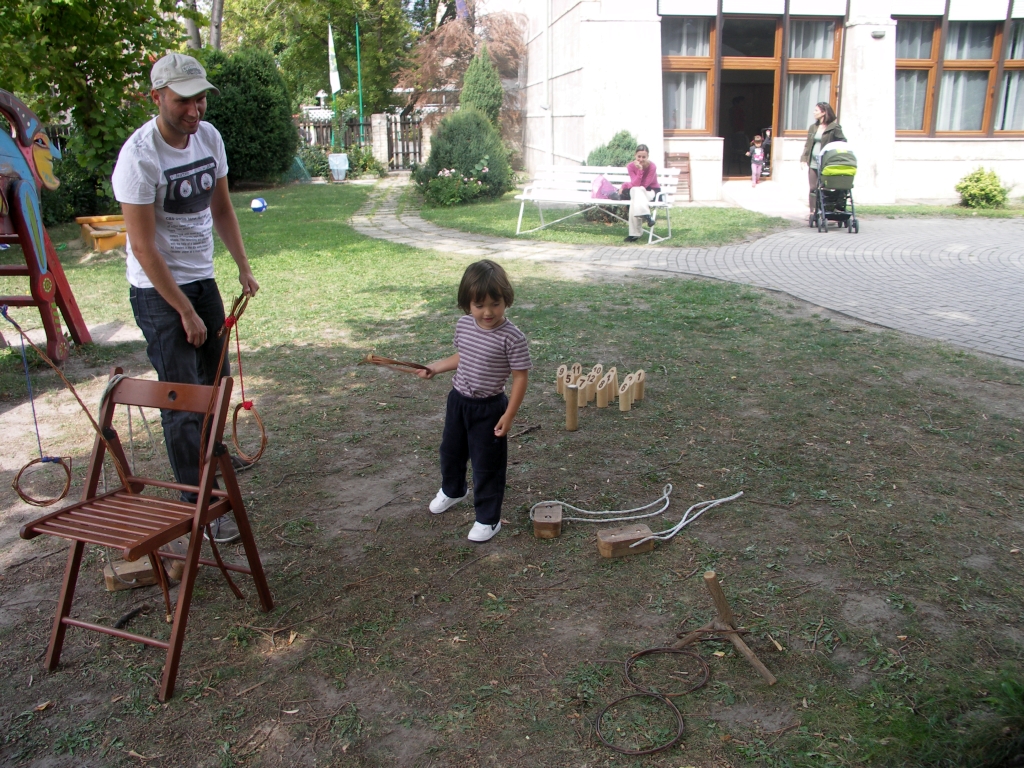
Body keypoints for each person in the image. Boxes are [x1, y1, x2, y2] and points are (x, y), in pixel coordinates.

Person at [112, 53, 259, 544]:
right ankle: (197, 500)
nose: (194, 111)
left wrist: (241, 264)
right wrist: (184, 310)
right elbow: (143, 247)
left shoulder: (209, 137)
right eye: (182, 101)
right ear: (156, 97)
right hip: (158, 291)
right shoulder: (140, 157)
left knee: (217, 380)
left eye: (199, 99)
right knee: (181, 396)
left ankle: (211, 454)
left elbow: (221, 207)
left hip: (202, 279)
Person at [417, 260, 532, 543]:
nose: (488, 312)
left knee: (486, 465)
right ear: (467, 303)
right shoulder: (464, 325)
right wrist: (435, 367)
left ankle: (488, 519)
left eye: (495, 303)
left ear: (507, 299)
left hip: (489, 408)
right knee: (450, 451)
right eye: (479, 305)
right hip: (458, 402)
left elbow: (520, 377)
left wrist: (509, 414)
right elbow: (463, 356)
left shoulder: (512, 338)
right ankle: (454, 490)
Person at [800, 102, 846, 214]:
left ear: (824, 112)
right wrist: (804, 158)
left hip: (826, 162)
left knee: (825, 186)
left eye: (816, 110)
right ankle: (812, 212)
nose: (813, 112)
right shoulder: (813, 127)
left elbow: (842, 141)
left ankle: (826, 209)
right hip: (813, 161)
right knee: (813, 187)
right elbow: (808, 144)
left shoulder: (834, 127)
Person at [619, 144, 660, 243]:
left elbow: (645, 185)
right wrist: (640, 170)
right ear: (635, 156)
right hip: (638, 193)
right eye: (639, 156)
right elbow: (635, 184)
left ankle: (634, 234)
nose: (641, 159)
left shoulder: (652, 167)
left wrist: (625, 185)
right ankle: (647, 216)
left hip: (651, 192)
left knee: (636, 191)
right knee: (635, 191)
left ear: (647, 157)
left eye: (644, 157)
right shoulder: (630, 166)